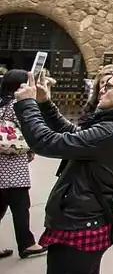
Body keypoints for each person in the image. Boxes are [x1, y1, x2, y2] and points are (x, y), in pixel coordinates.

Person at [14, 68, 113, 273]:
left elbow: (47, 142)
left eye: (109, 86)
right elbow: (73, 134)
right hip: (88, 220)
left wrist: (27, 104)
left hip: (81, 223)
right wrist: (44, 103)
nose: (102, 90)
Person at [0, 70, 47, 260]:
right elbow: (30, 128)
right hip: (13, 167)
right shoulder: (18, 105)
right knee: (20, 207)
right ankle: (27, 244)